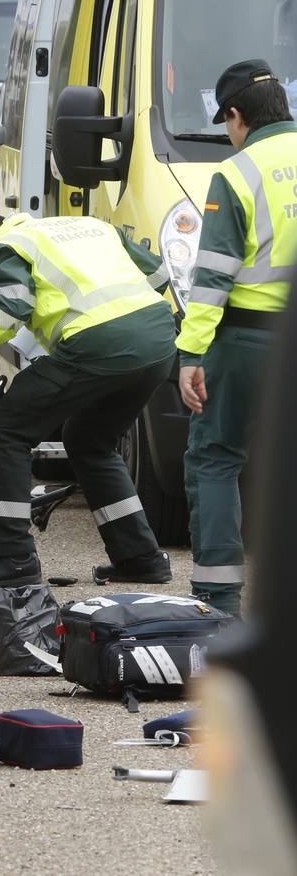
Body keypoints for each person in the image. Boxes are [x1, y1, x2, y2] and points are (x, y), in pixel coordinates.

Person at [0, 212, 177, 589]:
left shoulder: (10, 247)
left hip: (98, 343)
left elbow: (4, 314)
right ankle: (140, 557)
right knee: (88, 440)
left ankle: (12, 558)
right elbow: (160, 276)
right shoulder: (92, 226)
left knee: (6, 427)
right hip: (158, 339)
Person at [176, 59, 297, 615]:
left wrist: (190, 353)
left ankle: (219, 598)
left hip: (249, 341)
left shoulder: (238, 173)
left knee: (217, 458)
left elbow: (212, 277)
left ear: (235, 115)